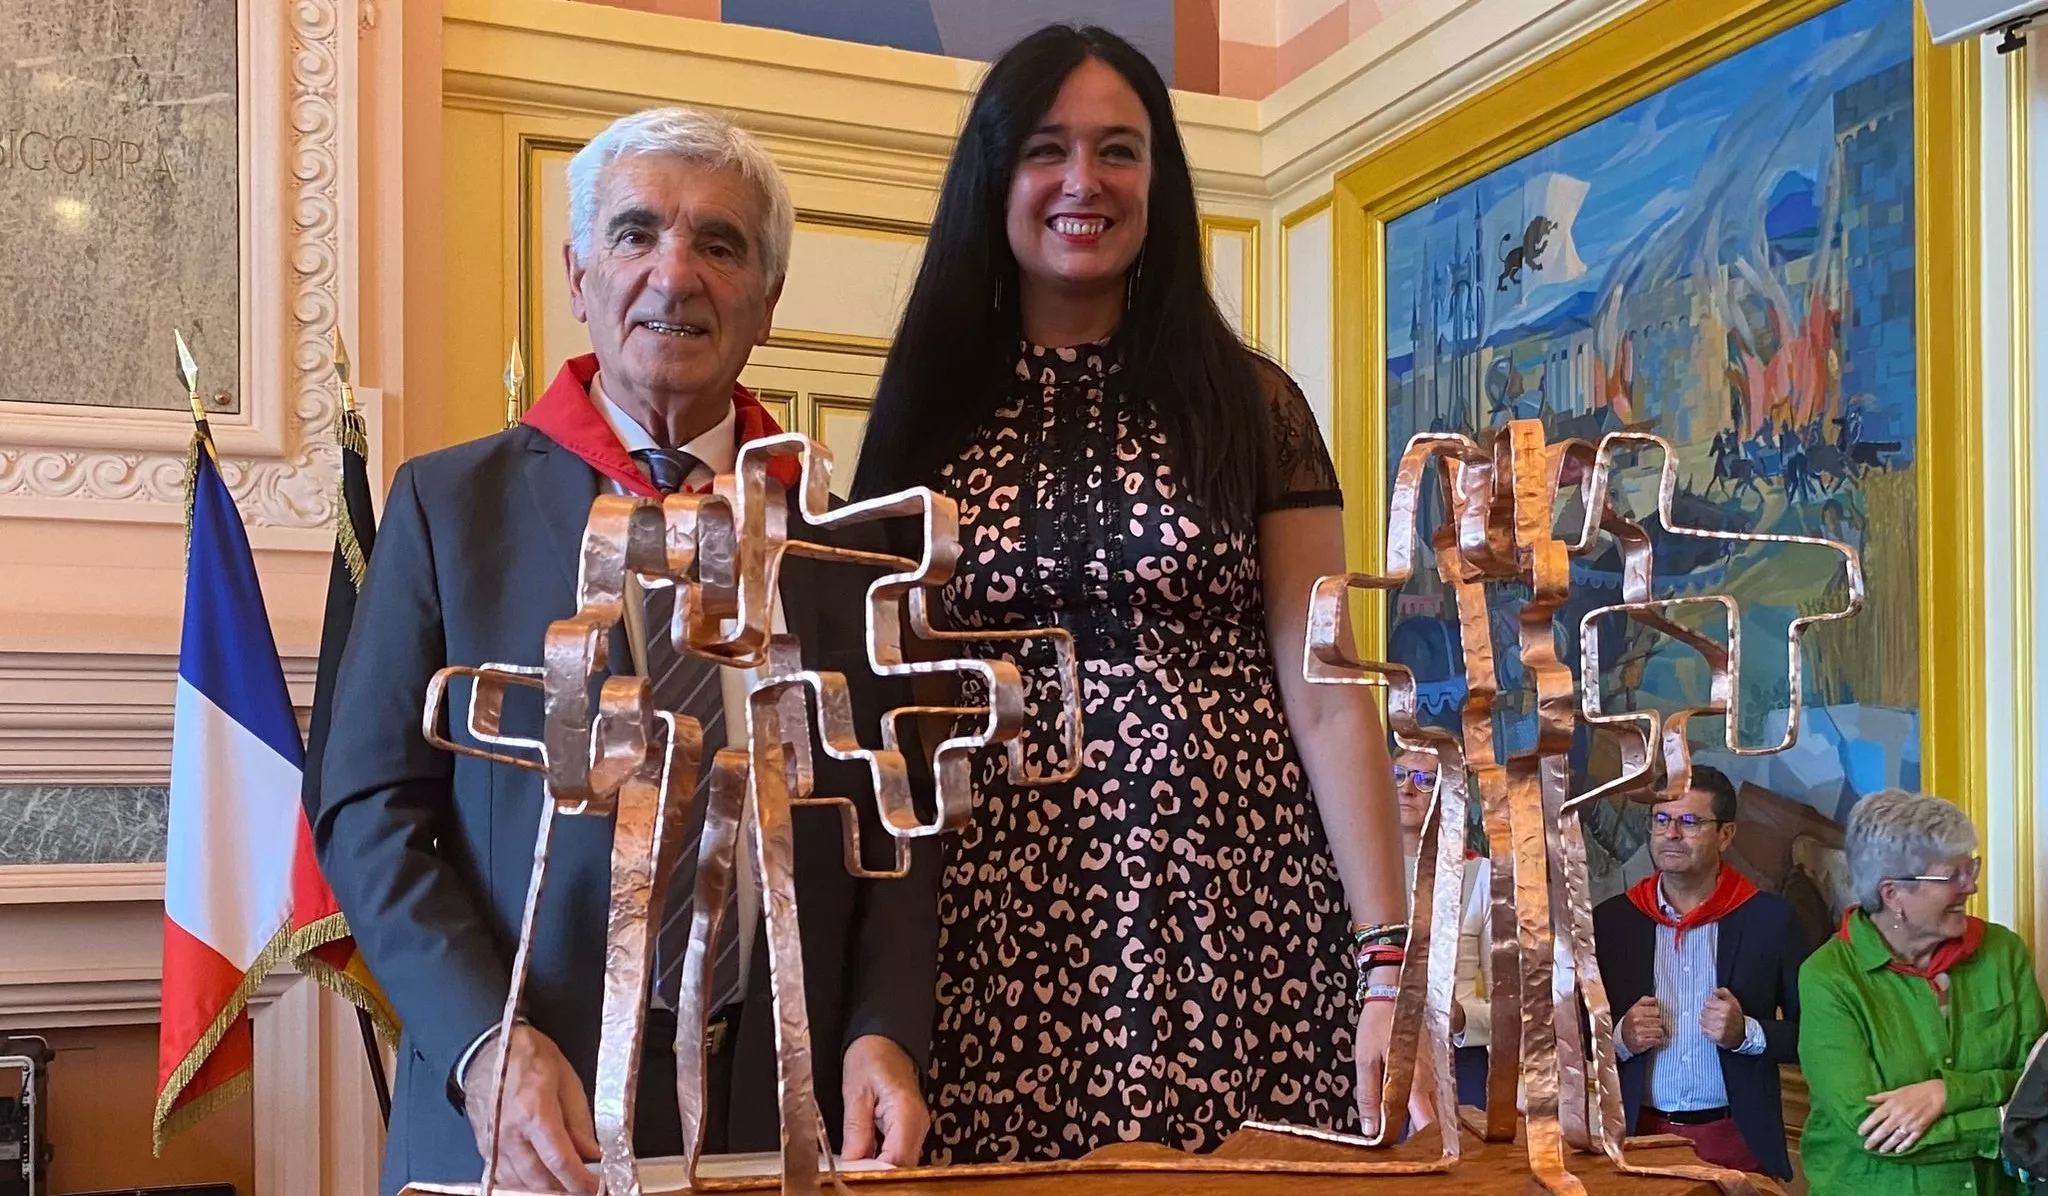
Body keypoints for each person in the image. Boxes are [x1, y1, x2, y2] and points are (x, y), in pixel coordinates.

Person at [312, 107, 934, 1195]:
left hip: (786, 1110)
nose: (674, 273)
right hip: (522, 1108)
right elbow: (366, 806)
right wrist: (479, 1041)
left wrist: (885, 1028)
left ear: (767, 299)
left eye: (720, 244)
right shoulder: (447, 508)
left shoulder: (843, 535)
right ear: (577, 273)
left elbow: (893, 816)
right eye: (637, 232)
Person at [851, 24, 1413, 1163]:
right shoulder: (926, 413)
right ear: (993, 177)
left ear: (1159, 179)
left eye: (1119, 150)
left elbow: (1327, 685)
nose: (1082, 182)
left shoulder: (1251, 403)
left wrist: (1387, 957)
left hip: (1236, 902)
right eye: (1046, 149)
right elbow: (884, 713)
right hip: (991, 923)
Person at [1799, 789, 2046, 1195]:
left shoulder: (2004, 953)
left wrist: (1946, 1093)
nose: (1970, 887)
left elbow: (2038, 1087)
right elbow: (1871, 1129)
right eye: (1953, 875)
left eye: (1972, 868)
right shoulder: (1828, 977)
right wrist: (1999, 1125)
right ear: (1893, 894)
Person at [1591, 766, 1806, 1179]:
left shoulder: (1770, 920)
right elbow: (1574, 1034)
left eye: (1690, 821)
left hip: (1737, 1138)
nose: (1671, 834)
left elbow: (1813, 1034)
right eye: (1661, 820)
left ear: (1726, 835)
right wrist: (1620, 1037)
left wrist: (1747, 1034)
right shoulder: (1613, 922)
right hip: (1638, 1139)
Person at [1391, 750, 1493, 1109]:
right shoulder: (1359, 872)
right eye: (1398, 774)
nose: (1407, 789)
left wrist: (1462, 1017)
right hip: (1373, 1045)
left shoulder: (1480, 876)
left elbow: (1514, 1002)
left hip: (1455, 1059)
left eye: (1425, 780)